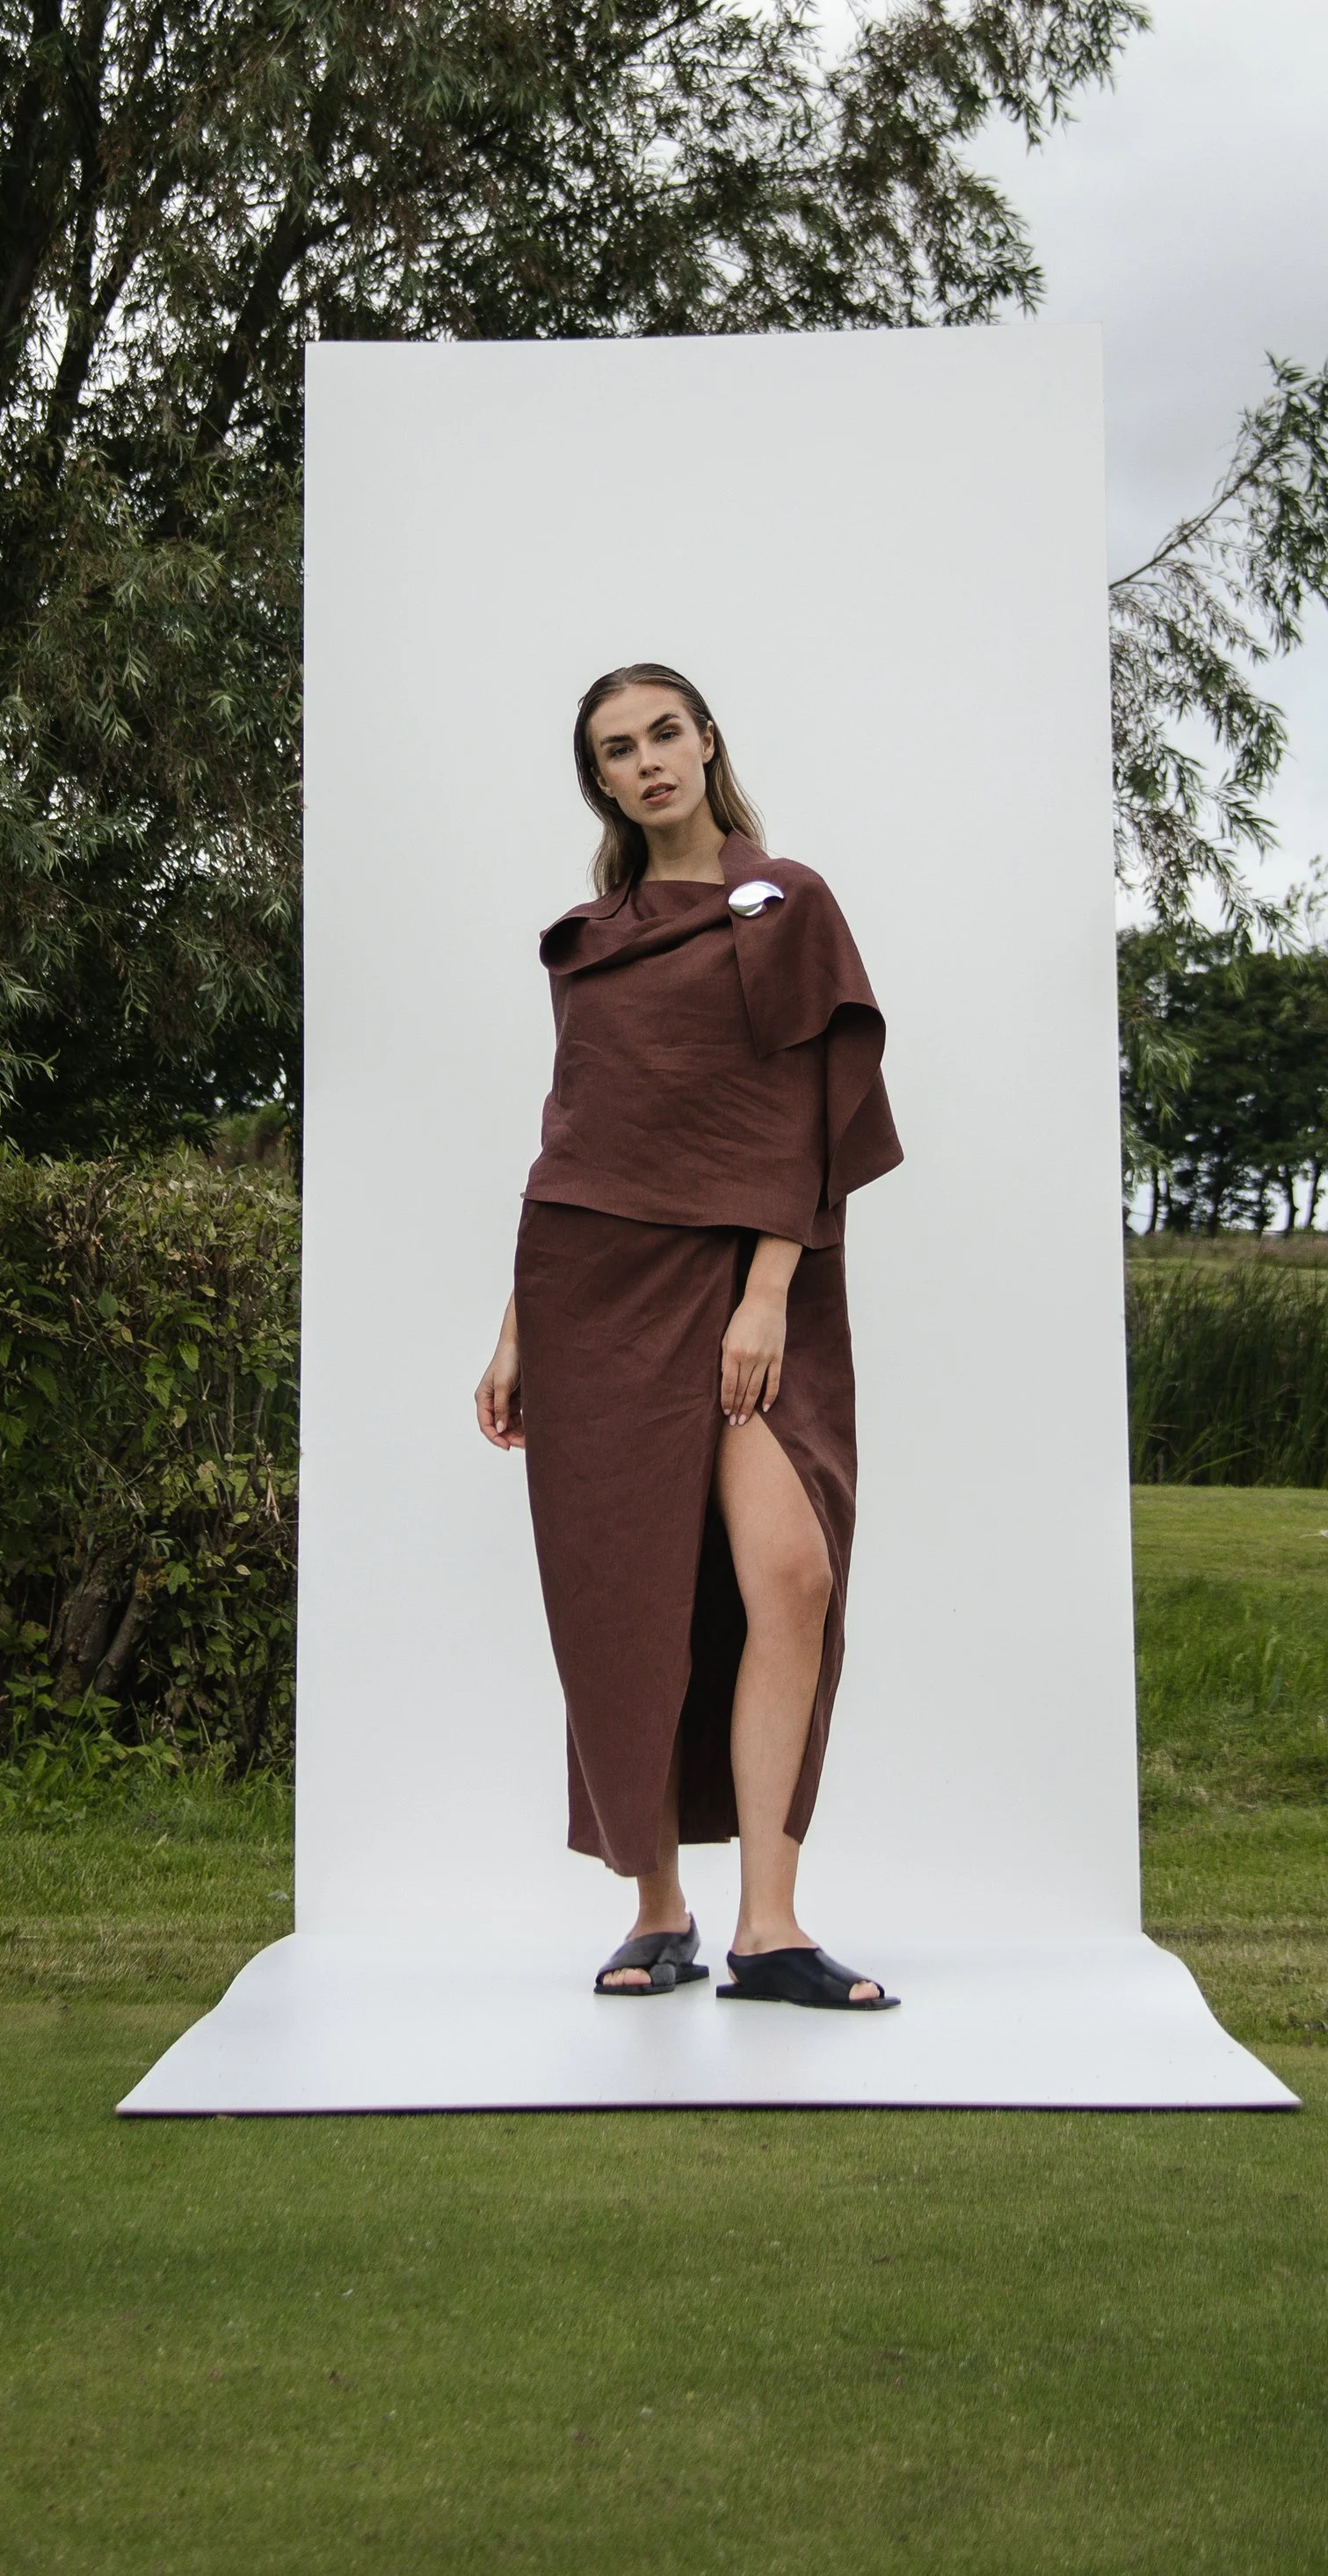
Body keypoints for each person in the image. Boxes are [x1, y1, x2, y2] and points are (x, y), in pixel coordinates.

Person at [475, 663, 903, 2010]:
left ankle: (768, 1927)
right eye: (618, 746)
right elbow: (576, 1141)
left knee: (790, 1575)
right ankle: (659, 1911)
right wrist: (516, 1330)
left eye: (667, 731)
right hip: (594, 1290)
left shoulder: (787, 904)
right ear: (598, 778)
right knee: (633, 1595)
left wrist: (768, 1289)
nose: (649, 759)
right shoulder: (593, 941)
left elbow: (813, 1110)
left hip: (754, 1277)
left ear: (708, 739)